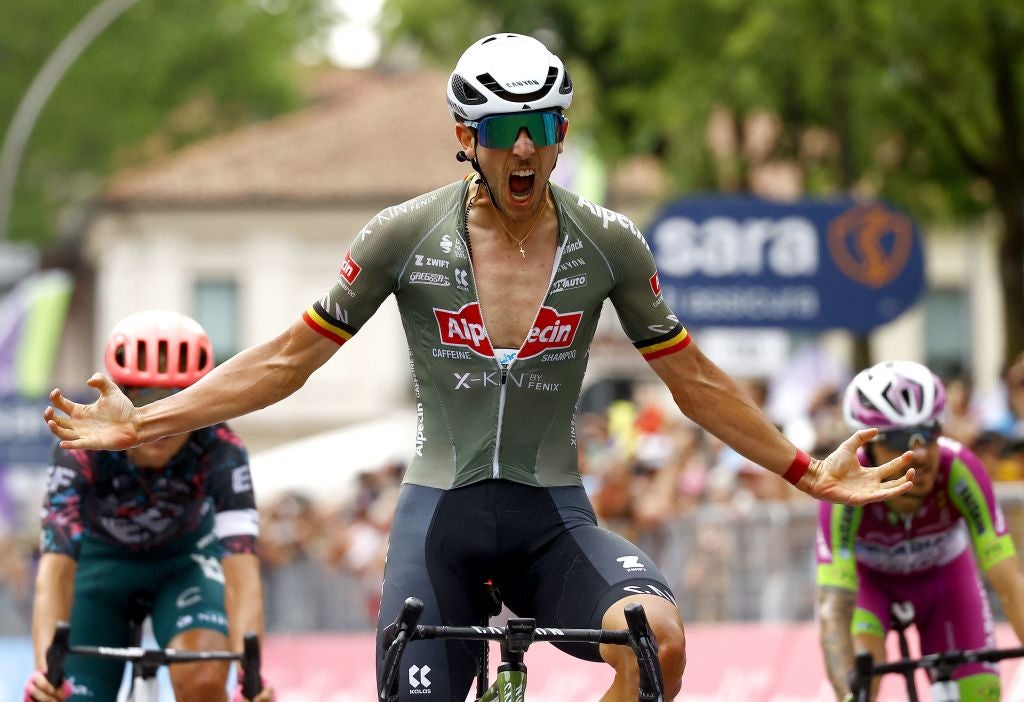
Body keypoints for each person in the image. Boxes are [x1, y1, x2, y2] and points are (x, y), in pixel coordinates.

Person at [43, 33, 915, 702]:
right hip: (439, 525)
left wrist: (805, 472)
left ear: (563, 131)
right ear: (468, 136)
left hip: (554, 521)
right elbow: (286, 359)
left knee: (660, 645)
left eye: (541, 130)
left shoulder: (608, 242)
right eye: (504, 133)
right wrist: (151, 419)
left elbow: (695, 382)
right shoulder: (402, 235)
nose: (525, 152)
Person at [26, 311, 273, 702]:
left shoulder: (221, 447)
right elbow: (54, 573)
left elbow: (242, 574)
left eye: (175, 401)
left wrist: (251, 678)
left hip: (185, 567)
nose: (159, 422)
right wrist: (44, 673)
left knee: (204, 681)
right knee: (67, 695)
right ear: (117, 395)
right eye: (141, 399)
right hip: (99, 572)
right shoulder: (82, 450)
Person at [817, 360, 1024, 702]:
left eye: (929, 432)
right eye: (900, 440)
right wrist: (849, 695)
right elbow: (834, 608)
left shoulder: (960, 469)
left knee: (980, 694)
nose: (922, 453)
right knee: (861, 687)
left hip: (945, 580)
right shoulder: (843, 491)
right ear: (866, 445)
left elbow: (1009, 582)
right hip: (872, 587)